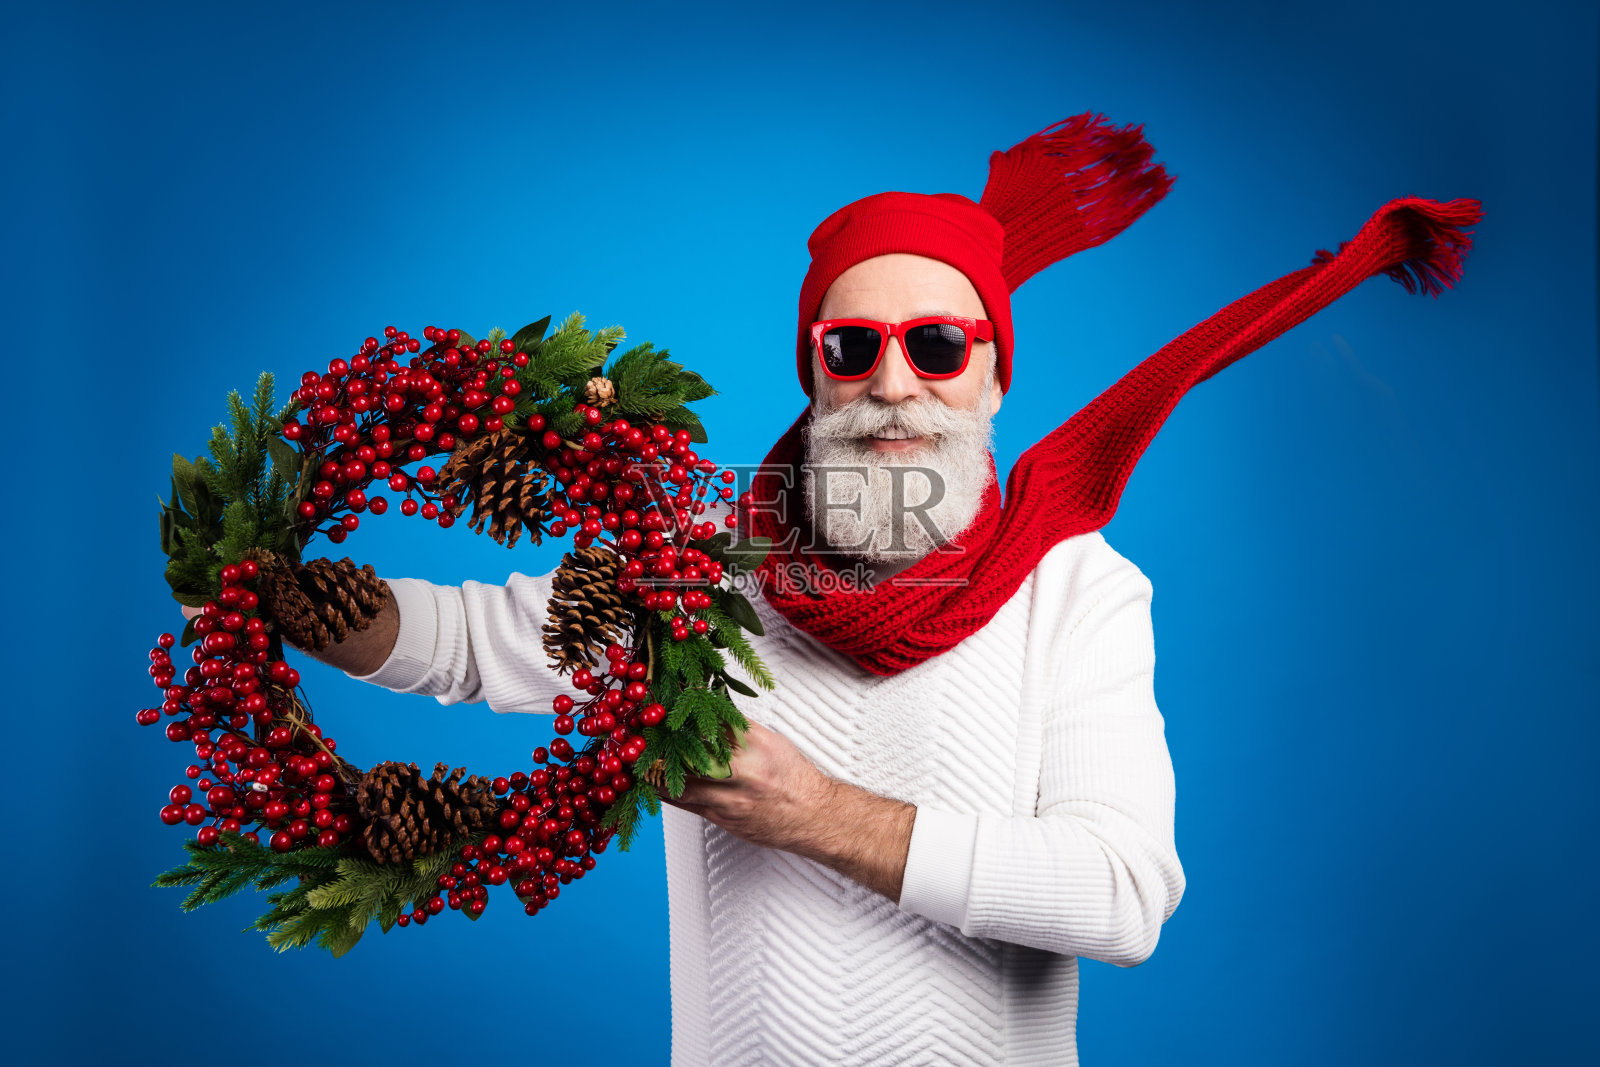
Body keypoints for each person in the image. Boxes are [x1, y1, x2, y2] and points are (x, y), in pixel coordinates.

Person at [190, 114, 1481, 1065]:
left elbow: (1123, 892)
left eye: (938, 346)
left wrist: (820, 815)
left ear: (993, 379)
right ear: (812, 372)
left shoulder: (1079, 592)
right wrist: (293, 604)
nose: (895, 385)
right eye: (852, 349)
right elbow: (481, 642)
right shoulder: (693, 556)